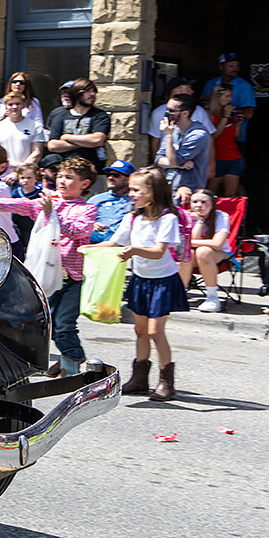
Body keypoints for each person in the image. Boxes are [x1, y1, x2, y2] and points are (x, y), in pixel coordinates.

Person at [0, 159, 100, 375]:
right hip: (45, 275)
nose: (62, 181)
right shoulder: (49, 201)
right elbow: (17, 205)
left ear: (85, 183)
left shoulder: (87, 209)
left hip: (71, 278)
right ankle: (65, 359)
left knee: (64, 324)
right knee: (46, 324)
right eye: (61, 176)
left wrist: (52, 213)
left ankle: (72, 365)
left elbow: (80, 233)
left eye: (70, 177)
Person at [111, 168, 187, 400]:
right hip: (141, 280)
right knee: (140, 330)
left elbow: (158, 252)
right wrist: (88, 250)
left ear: (152, 192)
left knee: (155, 331)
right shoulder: (132, 218)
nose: (131, 194)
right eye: (131, 189)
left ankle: (166, 381)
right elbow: (114, 242)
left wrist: (133, 251)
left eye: (136, 190)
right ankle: (139, 379)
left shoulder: (168, 218)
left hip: (163, 281)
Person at [179, 188, 232, 313]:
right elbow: (192, 241)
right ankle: (179, 295)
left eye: (204, 202)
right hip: (192, 255)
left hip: (219, 255)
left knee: (203, 251)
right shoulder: (186, 216)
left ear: (212, 205)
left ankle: (212, 297)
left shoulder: (221, 216)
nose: (199, 205)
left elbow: (217, 244)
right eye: (195, 202)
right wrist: (199, 221)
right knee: (188, 253)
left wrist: (188, 242)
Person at [44, 77, 112, 167]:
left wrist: (67, 137)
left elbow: (97, 140)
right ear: (76, 94)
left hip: (92, 170)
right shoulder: (60, 116)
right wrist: (86, 143)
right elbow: (53, 145)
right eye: (87, 91)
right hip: (65, 168)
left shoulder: (100, 116)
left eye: (94, 91)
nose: (92, 94)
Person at [157, 93, 210, 196]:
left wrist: (168, 136)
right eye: (167, 110)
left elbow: (174, 160)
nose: (167, 113)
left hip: (187, 191)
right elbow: (158, 159)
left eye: (171, 111)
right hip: (168, 187)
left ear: (185, 113)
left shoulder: (198, 134)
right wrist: (178, 165)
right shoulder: (173, 129)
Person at [200, 52, 256, 150]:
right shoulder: (210, 83)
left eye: (237, 66)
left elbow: (249, 113)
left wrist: (228, 113)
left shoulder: (244, 86)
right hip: (212, 136)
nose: (235, 69)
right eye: (231, 66)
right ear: (221, 67)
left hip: (235, 138)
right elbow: (202, 105)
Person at [0, 92, 46, 175]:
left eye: (18, 104)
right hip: (3, 174)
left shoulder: (35, 126)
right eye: (10, 104)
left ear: (23, 105)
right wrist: (10, 164)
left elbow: (37, 152)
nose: (14, 107)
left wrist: (22, 169)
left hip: (27, 176)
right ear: (5, 106)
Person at [205, 85, 245, 197]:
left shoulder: (231, 112)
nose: (230, 100)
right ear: (217, 97)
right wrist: (224, 118)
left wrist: (237, 125)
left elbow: (236, 137)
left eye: (231, 96)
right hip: (216, 158)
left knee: (231, 195)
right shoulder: (208, 114)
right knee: (210, 193)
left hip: (234, 157)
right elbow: (214, 136)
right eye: (227, 96)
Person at [88, 159, 135, 242]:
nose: (110, 178)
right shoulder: (96, 199)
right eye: (108, 175)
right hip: (95, 236)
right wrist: (92, 225)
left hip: (119, 238)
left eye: (116, 175)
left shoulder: (135, 199)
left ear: (129, 179)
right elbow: (83, 219)